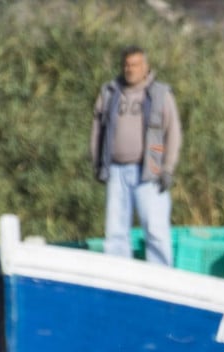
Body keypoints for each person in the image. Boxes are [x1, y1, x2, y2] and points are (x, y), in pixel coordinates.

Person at [91, 45, 182, 266]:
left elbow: (173, 133)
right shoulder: (110, 92)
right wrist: (96, 163)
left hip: (150, 171)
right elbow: (97, 129)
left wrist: (167, 168)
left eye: (135, 65)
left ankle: (160, 278)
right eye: (127, 65)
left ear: (145, 67)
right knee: (115, 231)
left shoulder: (160, 94)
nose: (130, 69)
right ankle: (117, 277)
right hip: (116, 170)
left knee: (155, 229)